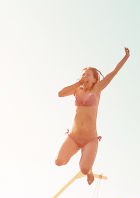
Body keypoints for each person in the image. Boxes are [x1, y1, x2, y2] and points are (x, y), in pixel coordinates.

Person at [55, 49, 130, 184]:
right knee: (59, 161)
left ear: (95, 79)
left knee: (84, 169)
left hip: (90, 139)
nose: (85, 76)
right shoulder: (77, 90)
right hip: (74, 137)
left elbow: (114, 72)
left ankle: (89, 172)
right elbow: (60, 94)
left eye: (88, 75)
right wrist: (78, 83)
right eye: (83, 74)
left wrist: (126, 57)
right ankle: (82, 158)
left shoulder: (97, 89)